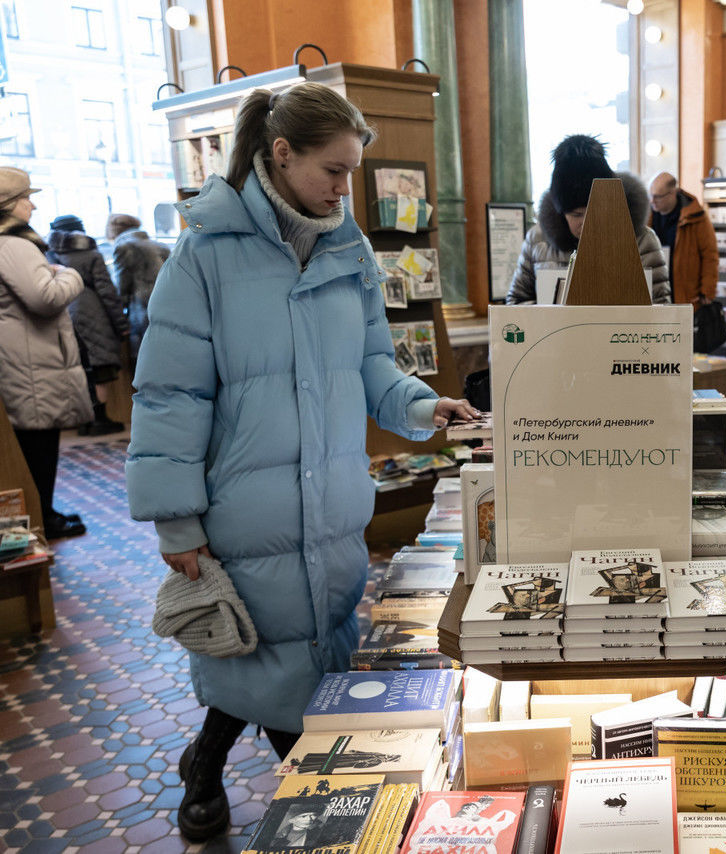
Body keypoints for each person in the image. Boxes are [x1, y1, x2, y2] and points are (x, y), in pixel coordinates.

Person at [124, 82, 479, 843]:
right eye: (334, 170)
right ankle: (318, 811)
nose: (344, 189)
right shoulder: (204, 255)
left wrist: (424, 407)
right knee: (270, 655)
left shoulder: (348, 248)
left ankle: (206, 764)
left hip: (334, 504)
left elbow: (375, 366)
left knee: (288, 650)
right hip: (244, 511)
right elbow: (168, 397)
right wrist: (176, 519)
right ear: (280, 155)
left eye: (353, 172)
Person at [0, 168, 93, 539]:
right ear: (9, 205)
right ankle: (42, 517)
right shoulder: (15, 245)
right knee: (38, 445)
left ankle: (44, 510)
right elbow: (45, 297)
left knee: (36, 444)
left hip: (25, 357)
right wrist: (68, 274)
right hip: (32, 362)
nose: (32, 205)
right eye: (26, 199)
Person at [505, 134, 670, 305]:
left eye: (593, 210)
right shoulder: (537, 240)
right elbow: (515, 302)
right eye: (576, 215)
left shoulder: (641, 240)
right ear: (561, 213)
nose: (586, 221)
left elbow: (663, 309)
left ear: (609, 204)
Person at [46, 214, 129, 435]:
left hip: (63, 312)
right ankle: (99, 420)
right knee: (99, 368)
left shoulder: (49, 255)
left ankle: (84, 420)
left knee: (79, 368)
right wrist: (122, 325)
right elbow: (107, 292)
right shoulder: (91, 254)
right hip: (92, 312)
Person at [108, 213, 171, 367]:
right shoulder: (161, 246)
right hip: (169, 310)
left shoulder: (123, 247)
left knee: (146, 365)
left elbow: (122, 287)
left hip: (142, 314)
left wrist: (119, 315)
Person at [647, 171, 717, 306]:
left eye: (657, 197)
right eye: (650, 195)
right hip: (654, 292)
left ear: (672, 193)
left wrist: (707, 291)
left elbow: (710, 255)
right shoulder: (646, 217)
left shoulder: (696, 217)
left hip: (685, 294)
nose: (652, 201)